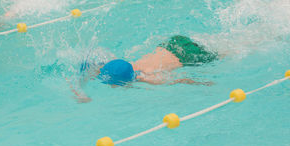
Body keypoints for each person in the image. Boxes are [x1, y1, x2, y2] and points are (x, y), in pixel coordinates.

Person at [72, 35, 217, 102]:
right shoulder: (110, 67)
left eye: (113, 84)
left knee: (222, 53)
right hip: (171, 44)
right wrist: (80, 93)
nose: (112, 86)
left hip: (188, 56)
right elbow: (83, 70)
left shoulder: (146, 77)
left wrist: (203, 84)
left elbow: (179, 80)